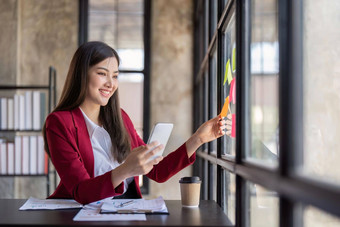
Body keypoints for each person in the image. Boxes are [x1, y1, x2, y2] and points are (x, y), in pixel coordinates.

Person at [43, 41, 232, 205]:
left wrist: (198, 139)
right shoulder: (59, 123)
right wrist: (126, 169)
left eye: (115, 76)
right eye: (102, 73)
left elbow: (157, 171)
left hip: (124, 209)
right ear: (81, 75)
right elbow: (81, 191)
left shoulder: (120, 118)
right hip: (80, 214)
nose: (111, 83)